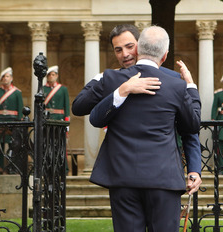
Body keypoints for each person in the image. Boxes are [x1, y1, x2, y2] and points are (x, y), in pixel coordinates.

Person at [87, 26, 201, 232]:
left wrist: (120, 92)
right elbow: (192, 125)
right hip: (163, 180)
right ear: (165, 55)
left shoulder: (112, 78)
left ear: (138, 49)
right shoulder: (177, 85)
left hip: (123, 179)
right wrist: (191, 86)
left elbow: (94, 119)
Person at [0, 67, 24, 173]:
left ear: (11, 78)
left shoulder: (17, 93)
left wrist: (19, 123)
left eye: (7, 76)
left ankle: (12, 167)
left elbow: (20, 109)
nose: (5, 78)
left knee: (13, 144)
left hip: (12, 122)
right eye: (4, 77)